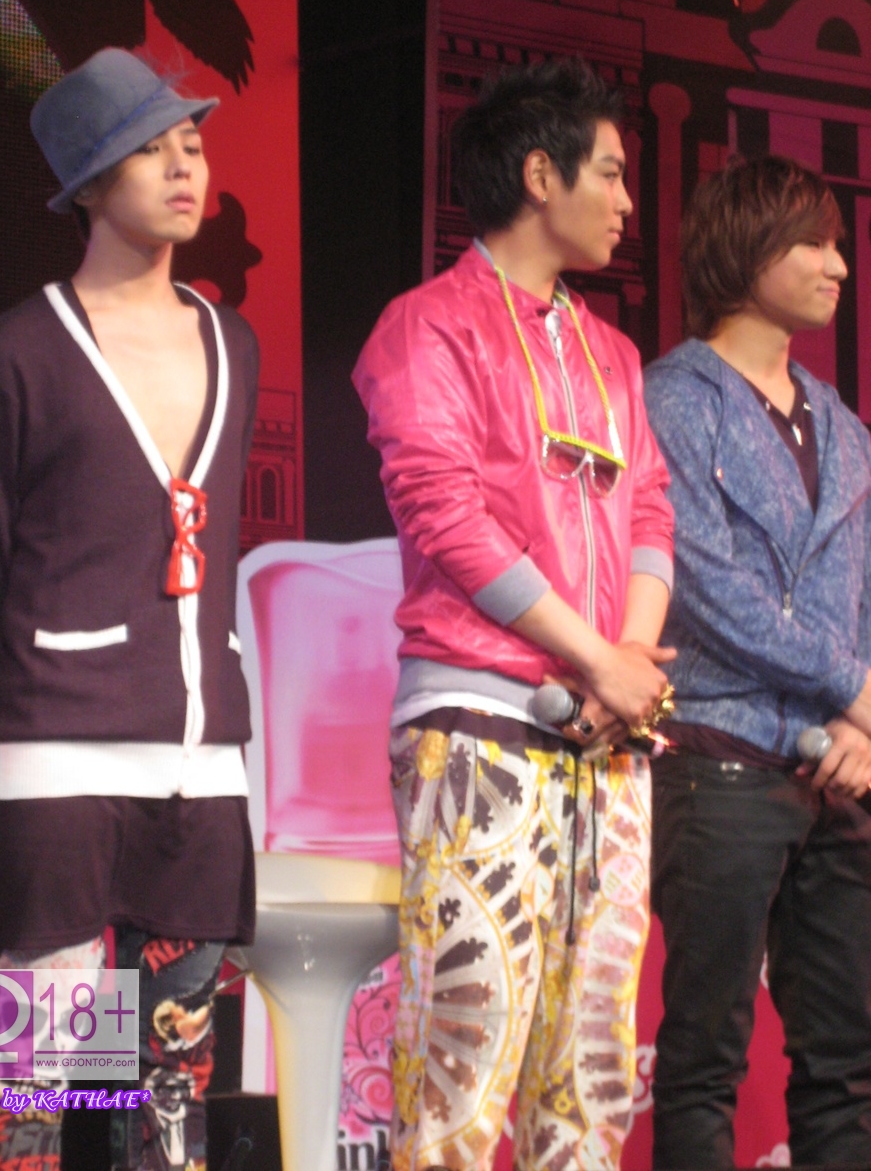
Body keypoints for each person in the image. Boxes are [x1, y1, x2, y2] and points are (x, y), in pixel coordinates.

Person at [0, 47, 259, 1171]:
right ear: (88, 181)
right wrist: (20, 719)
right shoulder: (17, 351)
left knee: (170, 1102)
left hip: (199, 768)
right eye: (150, 149)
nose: (183, 167)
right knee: (28, 1095)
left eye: (191, 143)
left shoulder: (231, 340)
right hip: (54, 766)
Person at [353, 58, 676, 1171]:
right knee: (467, 1051)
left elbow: (650, 510)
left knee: (591, 1072)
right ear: (542, 175)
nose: (626, 200)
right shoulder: (426, 326)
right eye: (610, 172)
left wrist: (627, 661)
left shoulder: (614, 353)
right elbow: (444, 516)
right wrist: (600, 659)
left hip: (610, 738)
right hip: (479, 722)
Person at [643, 155, 871, 1169]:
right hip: (720, 760)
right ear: (747, 251)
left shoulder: (843, 424)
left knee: (846, 1063)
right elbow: (706, 587)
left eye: (837, 244)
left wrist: (861, 725)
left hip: (839, 774)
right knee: (705, 1058)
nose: (838, 265)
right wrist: (854, 689)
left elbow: (861, 590)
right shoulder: (674, 399)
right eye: (812, 242)